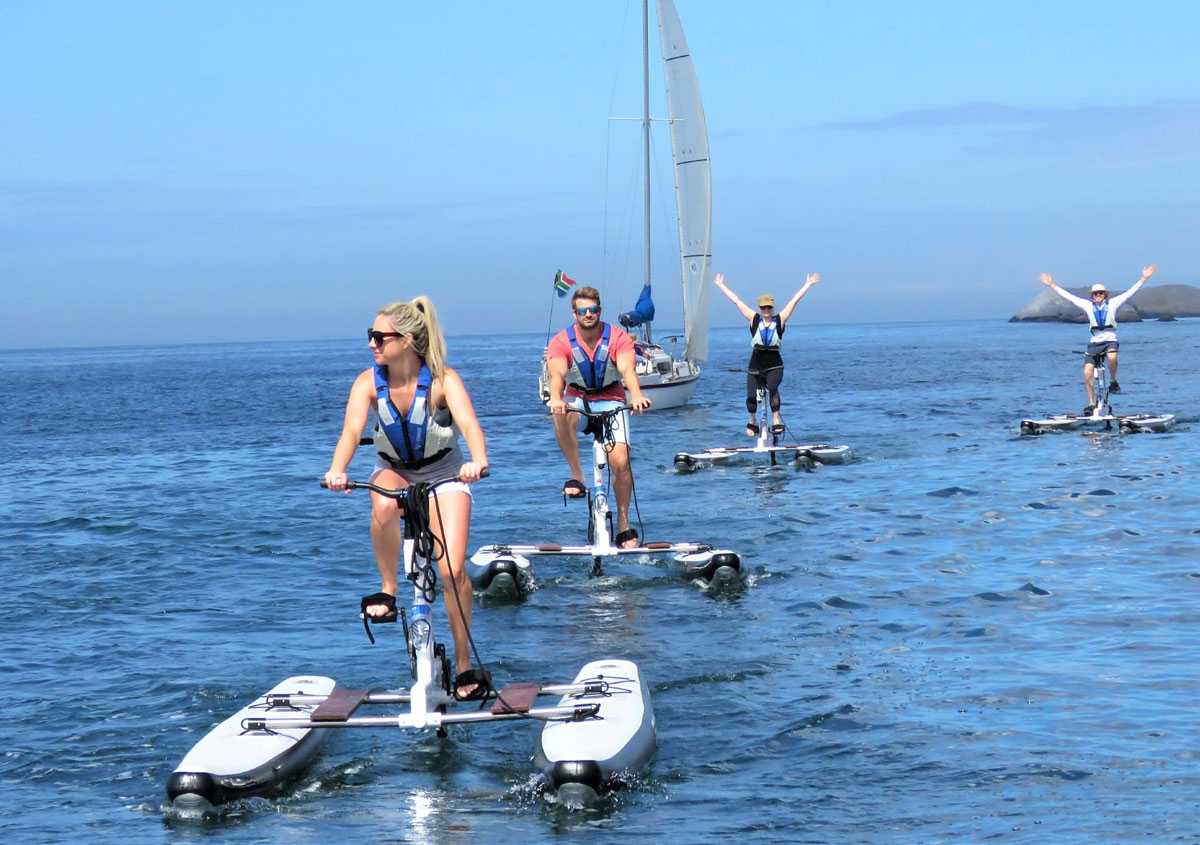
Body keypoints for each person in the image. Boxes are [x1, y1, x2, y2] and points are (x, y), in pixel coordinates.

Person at [324, 296, 490, 701]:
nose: (372, 345)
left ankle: (465, 664)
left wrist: (479, 461)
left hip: (445, 474)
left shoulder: (442, 381)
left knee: (451, 572)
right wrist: (337, 470)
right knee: (381, 500)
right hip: (396, 471)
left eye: (380, 337)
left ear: (408, 340)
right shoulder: (368, 383)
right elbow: (350, 432)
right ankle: (387, 588)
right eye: (371, 337)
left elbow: (469, 425)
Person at [545, 285, 651, 549]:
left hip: (611, 402)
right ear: (574, 313)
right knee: (560, 416)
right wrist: (556, 398)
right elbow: (557, 375)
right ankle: (577, 477)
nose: (588, 314)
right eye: (583, 311)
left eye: (593, 310)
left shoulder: (617, 338)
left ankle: (624, 525)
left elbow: (627, 370)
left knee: (621, 463)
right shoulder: (560, 342)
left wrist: (636, 395)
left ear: (600, 311)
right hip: (579, 402)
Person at [713, 271, 822, 436]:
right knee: (751, 396)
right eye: (763, 307)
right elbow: (737, 301)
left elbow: (794, 301)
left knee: (772, 388)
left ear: (772, 307)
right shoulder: (753, 319)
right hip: (756, 364)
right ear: (760, 308)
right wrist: (721, 285)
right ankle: (752, 421)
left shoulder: (780, 319)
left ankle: (776, 418)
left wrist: (808, 284)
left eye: (769, 307)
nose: (766, 310)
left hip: (774, 364)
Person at [1039, 264, 1156, 413]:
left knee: (1112, 357)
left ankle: (1113, 381)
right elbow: (1069, 297)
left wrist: (1143, 278)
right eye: (1095, 294)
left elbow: (1131, 292)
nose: (1098, 296)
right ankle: (1092, 402)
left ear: (1105, 295)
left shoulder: (1113, 303)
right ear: (1092, 296)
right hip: (1094, 343)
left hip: (1110, 340)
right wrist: (1052, 285)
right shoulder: (1087, 305)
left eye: (1100, 293)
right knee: (1087, 373)